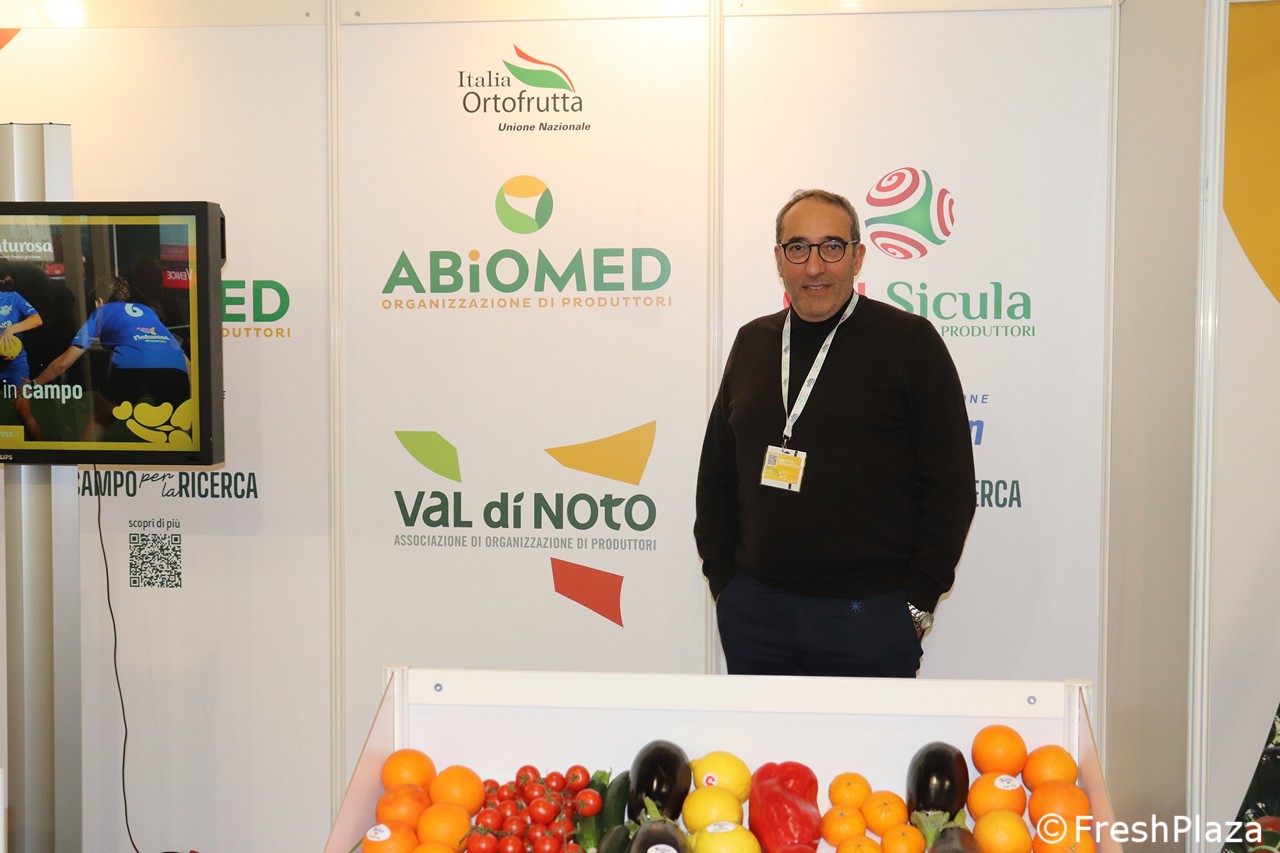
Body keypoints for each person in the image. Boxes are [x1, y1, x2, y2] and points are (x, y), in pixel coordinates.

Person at [694, 188, 976, 677]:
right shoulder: (753, 342)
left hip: (869, 617)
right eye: (798, 248)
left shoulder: (909, 343)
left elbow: (951, 486)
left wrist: (916, 604)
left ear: (857, 257)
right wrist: (725, 582)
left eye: (831, 247)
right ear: (779, 260)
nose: (814, 266)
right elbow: (717, 472)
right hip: (756, 613)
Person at [32, 276, 189, 441]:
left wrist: (34, 384)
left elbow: (63, 363)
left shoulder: (101, 312)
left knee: (100, 418)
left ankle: (84, 456)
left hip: (132, 364)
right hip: (175, 366)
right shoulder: (147, 310)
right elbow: (179, 353)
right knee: (177, 422)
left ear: (99, 301)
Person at [0, 273, 44, 439]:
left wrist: (11, 329)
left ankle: (41, 451)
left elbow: (37, 319)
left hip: (15, 364)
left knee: (24, 414)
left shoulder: (12, 298)